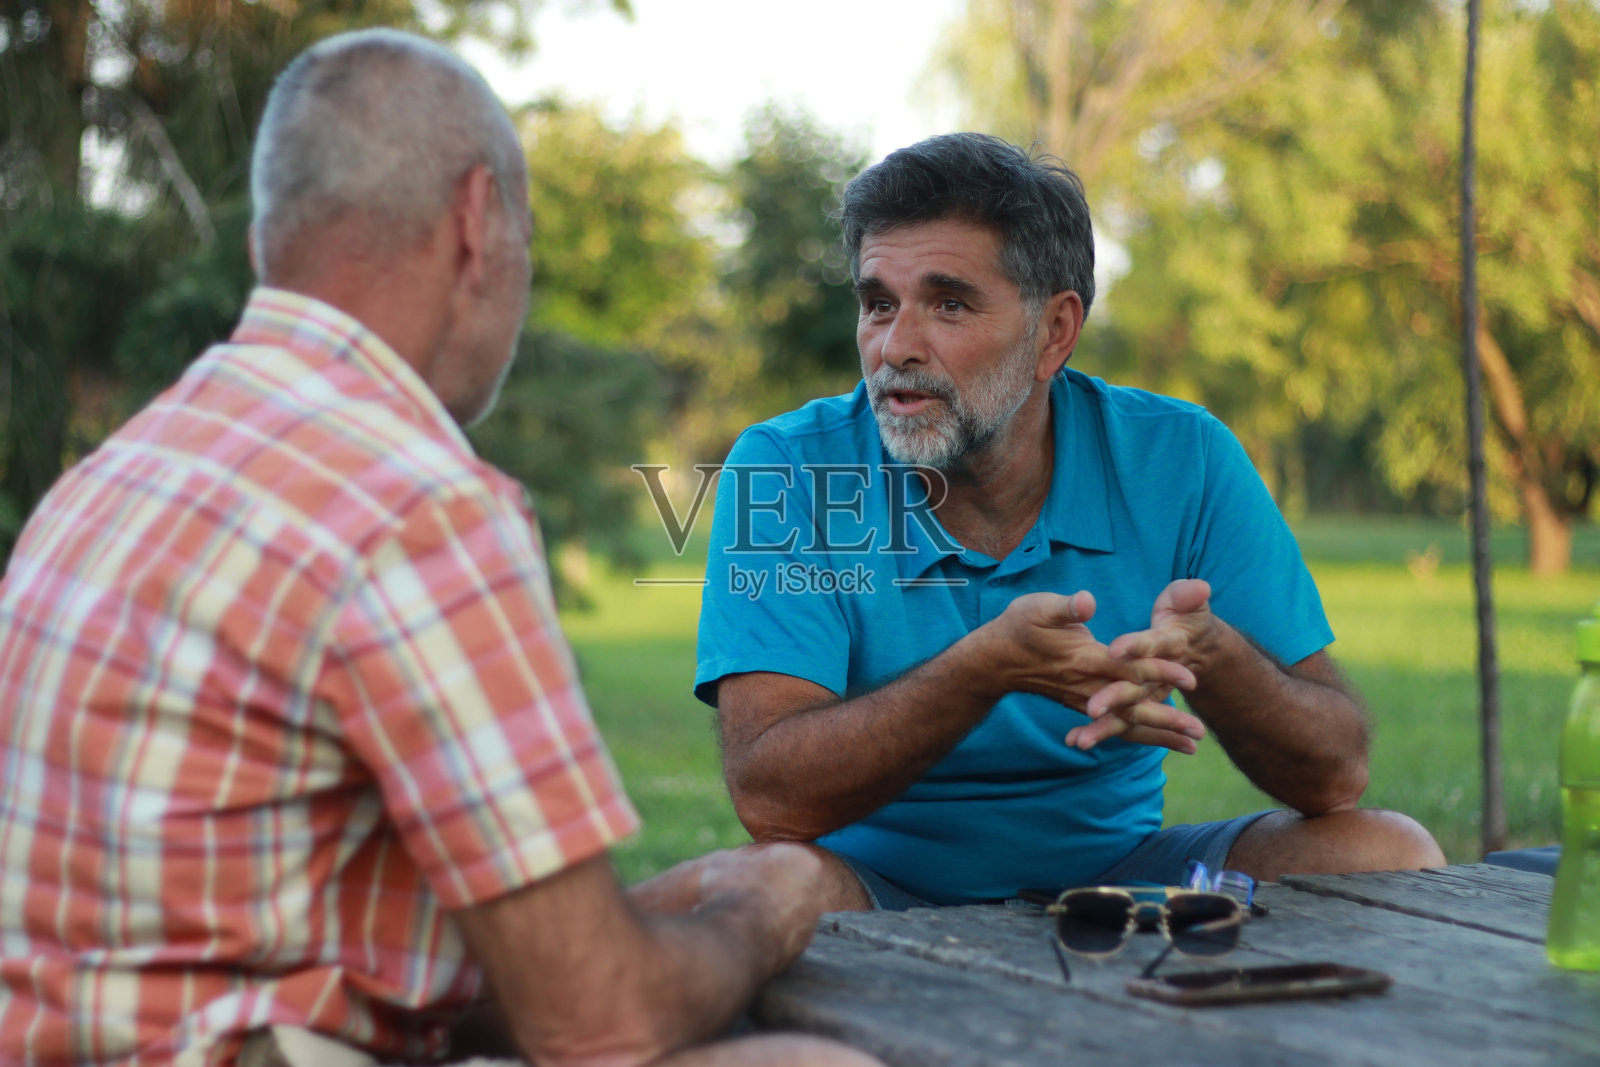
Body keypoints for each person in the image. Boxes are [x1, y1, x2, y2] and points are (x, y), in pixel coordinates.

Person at [0, 29, 882, 1067]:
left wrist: (669, 904)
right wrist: (763, 909)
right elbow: (598, 1020)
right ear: (477, 222)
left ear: (265, 242)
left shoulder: (118, 473)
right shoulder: (417, 505)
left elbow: (361, 934)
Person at [695, 132, 1446, 912]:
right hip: (866, 889)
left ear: (1054, 332)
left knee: (1387, 851)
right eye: (879, 303)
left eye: (948, 303)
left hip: (1123, 877)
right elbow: (770, 798)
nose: (896, 346)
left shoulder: (1181, 456)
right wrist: (981, 669)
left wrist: (1217, 656)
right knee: (764, 887)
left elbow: (1335, 773)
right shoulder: (787, 466)